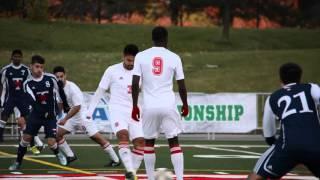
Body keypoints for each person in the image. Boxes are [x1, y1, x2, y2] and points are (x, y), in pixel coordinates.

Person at [131, 26, 189, 180]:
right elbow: (181, 85)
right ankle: (180, 178)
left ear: (152, 39)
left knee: (149, 142)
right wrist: (185, 104)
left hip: (150, 106)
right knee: (174, 141)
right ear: (166, 39)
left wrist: (135, 106)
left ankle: (150, 178)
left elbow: (135, 83)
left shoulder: (141, 56)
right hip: (168, 105)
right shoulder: (174, 57)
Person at [248, 63, 320, 179]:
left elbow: (268, 132)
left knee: (256, 176)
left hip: (288, 146)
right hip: (315, 144)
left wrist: (276, 147)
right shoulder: (311, 88)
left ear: (280, 78)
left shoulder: (273, 97)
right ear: (300, 77)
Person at [87, 44, 144, 180]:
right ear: (123, 57)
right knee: (123, 136)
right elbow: (100, 91)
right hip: (117, 109)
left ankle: (132, 173)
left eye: (134, 61)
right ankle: (129, 170)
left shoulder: (141, 72)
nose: (131, 64)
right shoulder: (112, 70)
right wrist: (89, 111)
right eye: (129, 60)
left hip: (135, 110)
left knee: (141, 143)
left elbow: (148, 92)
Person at [9, 55, 67, 170]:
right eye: (37, 66)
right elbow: (32, 101)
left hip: (50, 116)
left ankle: (58, 153)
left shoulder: (50, 78)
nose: (39, 69)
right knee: (25, 139)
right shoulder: (27, 84)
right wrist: (41, 112)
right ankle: (17, 162)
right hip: (36, 115)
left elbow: (60, 91)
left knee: (51, 142)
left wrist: (65, 105)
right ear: (31, 67)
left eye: (41, 67)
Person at [53, 66, 120, 166]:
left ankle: (116, 160)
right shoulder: (57, 88)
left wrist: (65, 118)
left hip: (82, 118)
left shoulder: (72, 88)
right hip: (71, 118)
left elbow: (77, 107)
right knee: (57, 134)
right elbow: (60, 103)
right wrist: (56, 115)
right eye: (57, 77)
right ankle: (70, 155)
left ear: (65, 76)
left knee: (97, 139)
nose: (59, 79)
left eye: (61, 76)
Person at [0, 49, 43, 154]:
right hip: (10, 98)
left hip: (22, 99)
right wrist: (1, 99)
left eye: (19, 56)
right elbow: (1, 85)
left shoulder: (26, 70)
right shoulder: (5, 70)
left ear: (21, 58)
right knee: (4, 117)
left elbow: (31, 83)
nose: (17, 58)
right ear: (12, 57)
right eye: (15, 56)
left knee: (29, 121)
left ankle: (33, 145)